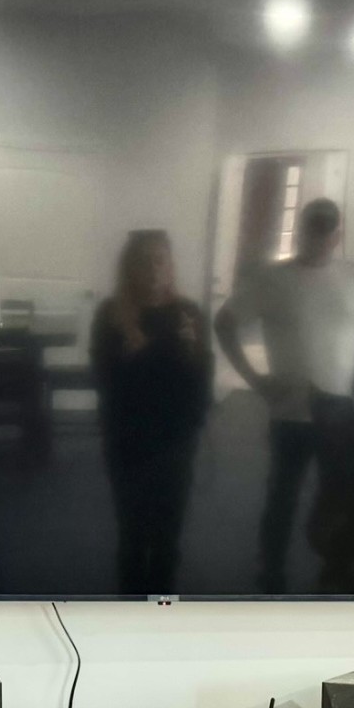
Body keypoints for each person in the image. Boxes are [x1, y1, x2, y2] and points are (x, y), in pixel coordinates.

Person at [214, 198, 354, 592]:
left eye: (327, 230)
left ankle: (334, 569)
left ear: (337, 234)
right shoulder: (272, 279)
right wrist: (255, 379)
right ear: (300, 229)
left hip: (341, 412)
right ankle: (271, 570)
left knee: (338, 498)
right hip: (290, 411)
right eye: (312, 228)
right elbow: (224, 323)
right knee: (283, 496)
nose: (319, 237)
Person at [91, 229, 213, 595]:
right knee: (132, 537)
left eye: (160, 260)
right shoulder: (111, 315)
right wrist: (148, 354)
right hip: (127, 442)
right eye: (144, 261)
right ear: (129, 267)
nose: (154, 269)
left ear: (171, 265)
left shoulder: (189, 314)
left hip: (175, 444)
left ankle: (161, 613)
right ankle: (130, 614)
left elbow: (201, 376)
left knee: (166, 540)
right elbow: (104, 379)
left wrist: (193, 425)